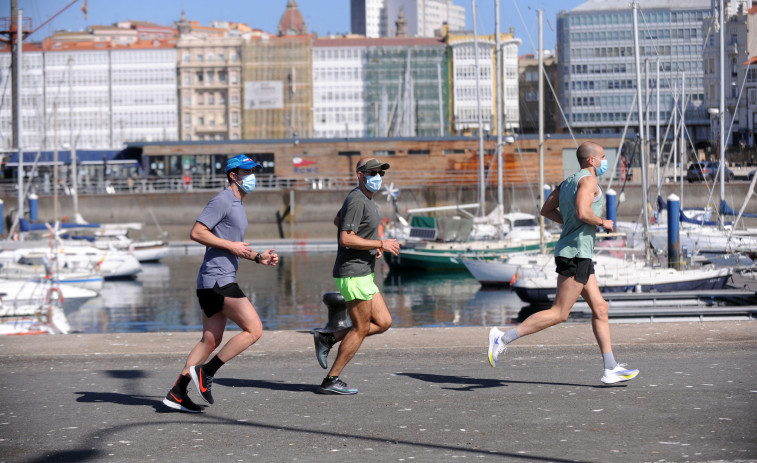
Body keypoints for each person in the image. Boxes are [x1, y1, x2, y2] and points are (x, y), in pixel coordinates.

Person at [487, 141, 639, 385]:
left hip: (579, 253)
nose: (604, 161)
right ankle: (502, 339)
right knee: (559, 313)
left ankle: (610, 367)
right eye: (602, 157)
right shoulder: (588, 182)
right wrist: (603, 222)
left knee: (600, 308)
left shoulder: (568, 182)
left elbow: (547, 209)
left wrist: (569, 223)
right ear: (591, 160)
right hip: (575, 254)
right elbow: (582, 212)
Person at [162, 154, 279, 413]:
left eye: (253, 171)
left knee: (210, 340)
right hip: (218, 280)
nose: (251, 177)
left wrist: (259, 257)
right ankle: (208, 373)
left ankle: (177, 393)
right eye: (246, 172)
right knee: (254, 329)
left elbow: (235, 247)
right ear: (233, 175)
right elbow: (197, 232)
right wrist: (230, 245)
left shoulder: (237, 204)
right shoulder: (223, 200)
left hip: (212, 280)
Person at [312, 158, 400, 395]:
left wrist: (371, 245)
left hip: (363, 273)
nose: (378, 176)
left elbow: (338, 221)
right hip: (353, 273)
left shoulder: (365, 200)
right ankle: (331, 379)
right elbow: (346, 237)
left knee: (383, 323)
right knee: (360, 328)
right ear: (360, 174)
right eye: (373, 172)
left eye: (381, 173)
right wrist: (379, 242)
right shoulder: (356, 199)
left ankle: (328, 338)